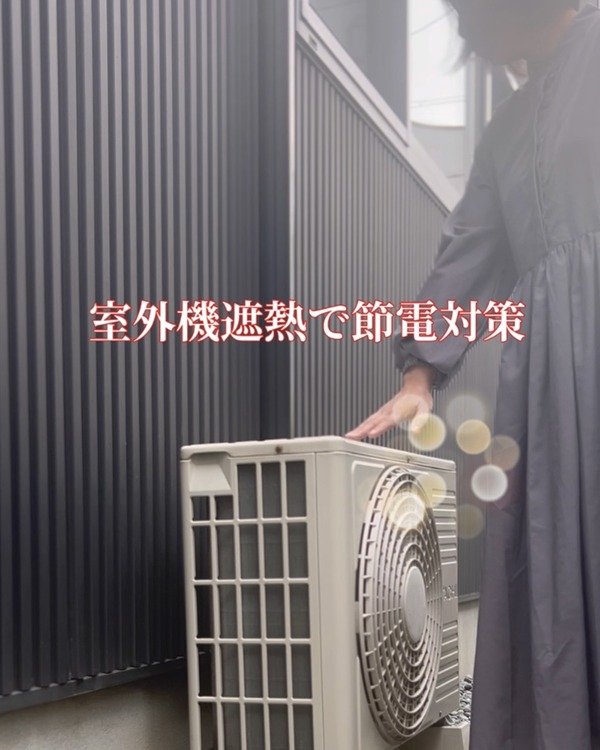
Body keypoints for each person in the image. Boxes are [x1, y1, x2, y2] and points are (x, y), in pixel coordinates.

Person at [346, 1, 600, 748]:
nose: (465, 35)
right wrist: (419, 378)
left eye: (469, 17)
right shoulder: (506, 130)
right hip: (547, 380)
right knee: (551, 568)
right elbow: (467, 251)